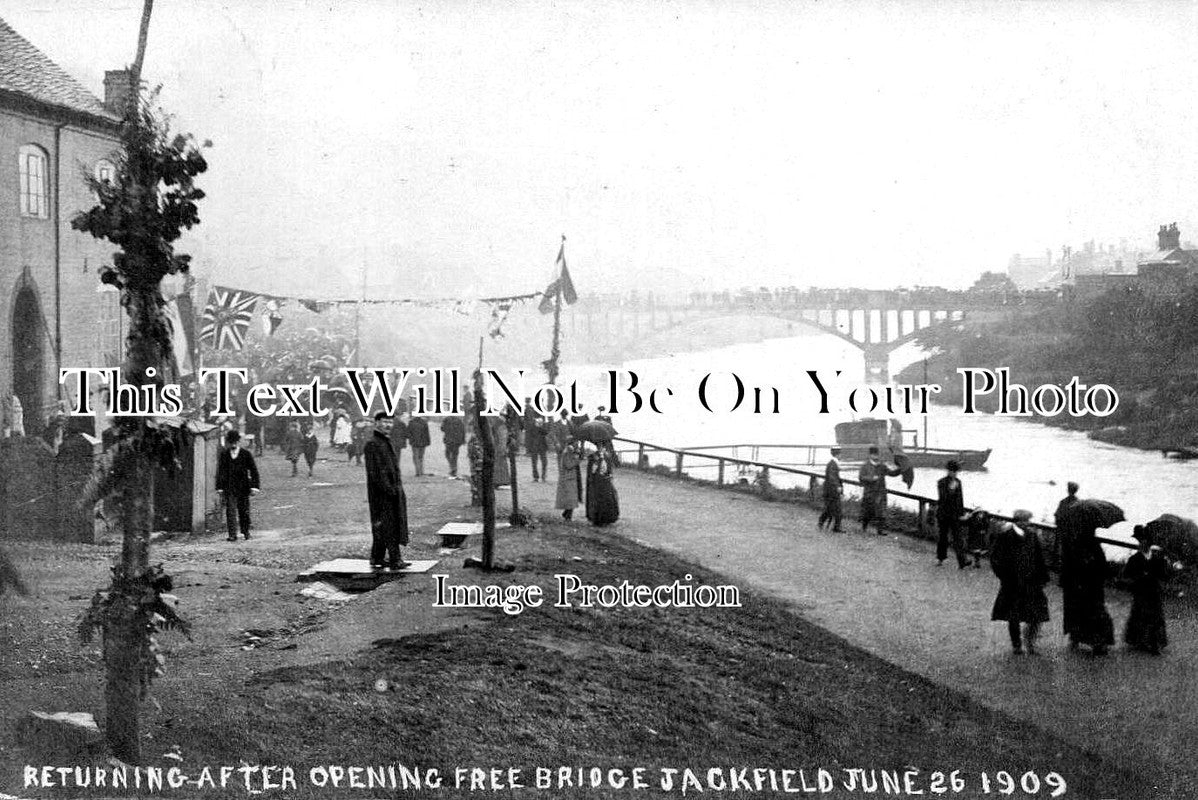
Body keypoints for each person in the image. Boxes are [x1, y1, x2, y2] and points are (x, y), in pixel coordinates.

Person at [1057, 486, 1115, 655]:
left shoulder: (1071, 542)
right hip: (1092, 584)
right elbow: (1102, 565)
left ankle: (1077, 637)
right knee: (1095, 610)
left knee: (1076, 609)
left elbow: (1066, 563)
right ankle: (1098, 641)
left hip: (1076, 583)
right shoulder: (1093, 543)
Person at [990, 509, 1050, 655]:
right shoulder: (1005, 536)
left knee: (1038, 613)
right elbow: (995, 559)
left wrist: (1043, 577)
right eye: (1026, 521)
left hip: (1032, 582)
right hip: (1012, 583)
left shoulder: (1032, 536)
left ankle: (1030, 642)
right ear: (1018, 521)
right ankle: (1017, 645)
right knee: (1013, 615)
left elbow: (1039, 558)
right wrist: (1004, 577)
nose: (1029, 523)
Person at [364, 412, 410, 571]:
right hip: (382, 494)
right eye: (384, 422)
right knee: (389, 525)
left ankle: (377, 557)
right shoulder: (373, 443)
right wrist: (389, 489)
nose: (388, 425)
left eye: (390, 423)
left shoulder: (384, 441)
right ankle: (395, 559)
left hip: (391, 491)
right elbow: (376, 472)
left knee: (384, 524)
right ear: (376, 423)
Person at [1123, 525, 1172, 655]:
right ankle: (1141, 641)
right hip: (1140, 591)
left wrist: (1165, 566)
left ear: (1149, 542)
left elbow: (1164, 575)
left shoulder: (1157, 559)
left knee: (1155, 617)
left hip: (1154, 592)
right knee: (1141, 615)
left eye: (1144, 540)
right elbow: (1126, 576)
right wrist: (1138, 578)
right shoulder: (1134, 559)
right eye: (1140, 541)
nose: (1142, 543)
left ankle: (1154, 643)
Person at [215, 430, 260, 542]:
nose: (233, 445)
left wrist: (254, 487)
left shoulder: (246, 454)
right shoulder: (224, 455)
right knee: (230, 510)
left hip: (243, 487)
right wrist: (220, 487)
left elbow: (254, 471)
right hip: (229, 487)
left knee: (244, 510)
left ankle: (245, 531)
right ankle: (232, 534)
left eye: (235, 442)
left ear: (238, 442)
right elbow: (220, 472)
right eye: (231, 443)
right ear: (228, 443)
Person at [857, 446, 903, 536]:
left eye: (877, 454)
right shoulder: (865, 466)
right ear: (870, 455)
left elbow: (891, 473)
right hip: (870, 493)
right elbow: (861, 477)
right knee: (868, 512)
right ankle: (864, 527)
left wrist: (900, 469)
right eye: (874, 454)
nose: (876, 456)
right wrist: (871, 478)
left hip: (880, 492)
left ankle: (880, 530)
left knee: (881, 512)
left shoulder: (882, 466)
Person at [936, 460, 969, 568]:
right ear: (948, 471)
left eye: (955, 471)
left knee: (958, 538)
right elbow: (942, 498)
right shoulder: (941, 482)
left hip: (955, 515)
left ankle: (962, 561)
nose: (954, 473)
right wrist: (951, 489)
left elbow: (960, 500)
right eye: (952, 471)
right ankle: (941, 558)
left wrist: (962, 513)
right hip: (944, 515)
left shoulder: (958, 482)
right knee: (943, 537)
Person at [585, 445, 620, 526]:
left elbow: (609, 470)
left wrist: (609, 475)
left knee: (608, 500)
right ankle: (599, 519)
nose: (603, 450)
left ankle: (607, 519)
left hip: (605, 481)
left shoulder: (606, 457)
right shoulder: (595, 458)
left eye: (603, 448)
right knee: (600, 501)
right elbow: (593, 471)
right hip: (598, 482)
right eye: (601, 448)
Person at [556, 438, 583, 520]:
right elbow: (568, 465)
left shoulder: (568, 451)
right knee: (570, 499)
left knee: (571, 498)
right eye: (576, 442)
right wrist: (577, 460)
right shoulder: (568, 451)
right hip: (568, 478)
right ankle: (568, 516)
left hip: (569, 478)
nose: (577, 444)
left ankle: (567, 514)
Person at [818, 447, 843, 532]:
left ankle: (822, 522)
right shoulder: (833, 464)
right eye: (840, 454)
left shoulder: (833, 463)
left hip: (830, 490)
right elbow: (832, 477)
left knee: (831, 509)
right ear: (838, 454)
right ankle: (835, 527)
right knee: (836, 509)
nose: (841, 456)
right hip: (832, 490)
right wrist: (838, 486)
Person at [525, 409, 549, 482]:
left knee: (536, 462)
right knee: (541, 462)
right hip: (539, 445)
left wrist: (540, 426)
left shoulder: (540, 423)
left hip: (537, 445)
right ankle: (542, 476)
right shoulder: (534, 423)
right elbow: (546, 432)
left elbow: (546, 432)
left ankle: (538, 477)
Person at [440, 414, 466, 478]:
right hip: (457, 441)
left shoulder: (446, 419)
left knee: (447, 454)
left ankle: (453, 468)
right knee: (454, 455)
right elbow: (463, 431)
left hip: (449, 440)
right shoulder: (459, 420)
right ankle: (454, 468)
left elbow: (442, 428)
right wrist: (463, 440)